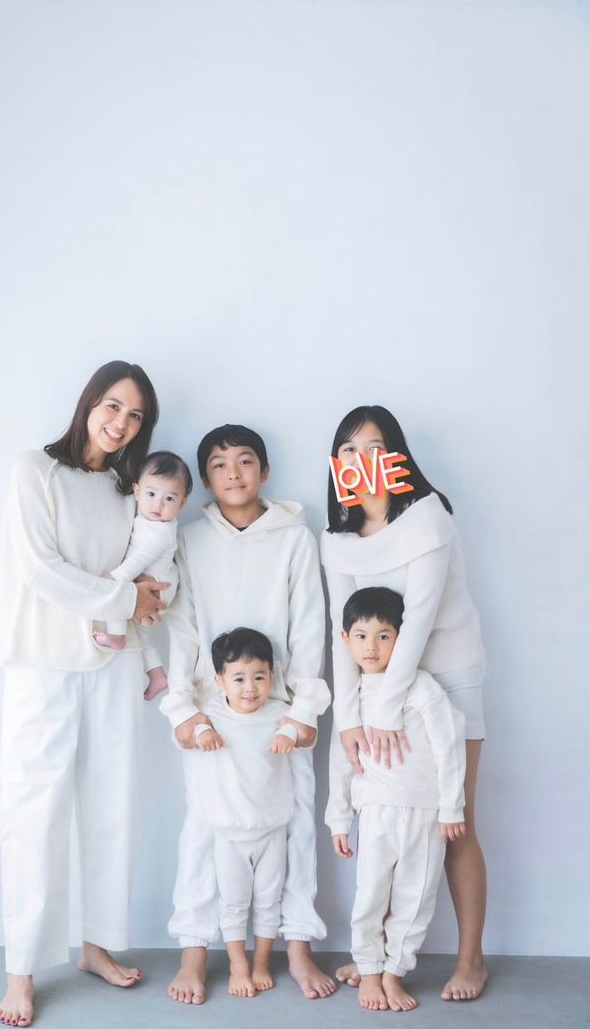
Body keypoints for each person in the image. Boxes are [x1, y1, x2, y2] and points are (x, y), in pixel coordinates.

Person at [0, 361, 174, 1028]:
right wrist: (128, 599)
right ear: (89, 402)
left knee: (111, 807)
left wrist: (145, 605)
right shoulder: (33, 471)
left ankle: (97, 945)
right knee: (33, 813)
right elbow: (43, 570)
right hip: (42, 664)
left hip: (114, 663)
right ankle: (21, 970)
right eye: (113, 405)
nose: (121, 422)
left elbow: (147, 572)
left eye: (135, 415)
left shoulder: (129, 490)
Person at [160, 424, 334, 1004]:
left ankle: (298, 947)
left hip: (279, 711)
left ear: (264, 469)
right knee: (202, 830)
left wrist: (304, 709)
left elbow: (308, 625)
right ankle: (193, 951)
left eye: (244, 461)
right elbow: (182, 626)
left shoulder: (294, 538)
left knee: (296, 827)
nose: (232, 473)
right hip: (212, 714)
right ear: (205, 478)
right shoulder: (190, 539)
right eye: (218, 464)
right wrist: (183, 710)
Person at [321, 405, 487, 1002]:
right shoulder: (336, 538)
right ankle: (378, 958)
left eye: (373, 447)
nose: (360, 458)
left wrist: (387, 708)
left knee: (454, 818)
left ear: (395, 455)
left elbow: (417, 619)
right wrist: (350, 719)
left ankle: (471, 960)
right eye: (348, 449)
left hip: (445, 674)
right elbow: (343, 633)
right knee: (384, 821)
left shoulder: (427, 515)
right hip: (376, 686)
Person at [326, 587, 466, 1012]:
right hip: (376, 810)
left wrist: (451, 807)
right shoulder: (351, 697)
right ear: (346, 639)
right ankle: (369, 969)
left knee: (415, 898)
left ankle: (393, 973)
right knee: (370, 895)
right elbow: (341, 760)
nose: (371, 646)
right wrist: (338, 820)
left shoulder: (419, 686)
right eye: (361, 635)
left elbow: (449, 745)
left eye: (384, 636)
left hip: (425, 812)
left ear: (401, 640)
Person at [190, 627, 302, 998]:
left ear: (272, 675)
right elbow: (191, 725)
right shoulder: (212, 714)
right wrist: (203, 731)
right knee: (234, 903)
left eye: (259, 677)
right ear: (220, 681)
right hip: (230, 833)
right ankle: (238, 965)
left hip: (272, 829)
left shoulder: (280, 713)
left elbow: (302, 729)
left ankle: (262, 963)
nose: (250, 688)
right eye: (239, 678)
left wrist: (289, 733)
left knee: (269, 901)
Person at [92, 450, 192, 701]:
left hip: (158, 586)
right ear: (136, 491)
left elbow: (138, 562)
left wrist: (112, 580)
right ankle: (157, 674)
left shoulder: (160, 532)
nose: (158, 505)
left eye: (169, 498)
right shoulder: (147, 520)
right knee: (142, 635)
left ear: (182, 503)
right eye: (151, 494)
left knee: (118, 595)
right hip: (158, 580)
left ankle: (117, 635)